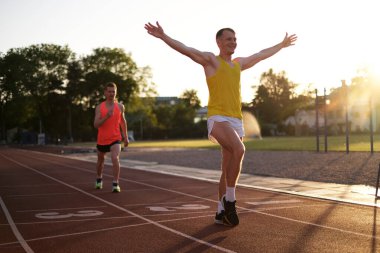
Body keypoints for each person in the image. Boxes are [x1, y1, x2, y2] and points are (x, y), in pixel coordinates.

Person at [144, 21, 297, 226]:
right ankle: (231, 201)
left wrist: (281, 45)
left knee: (227, 168)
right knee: (239, 149)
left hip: (236, 120)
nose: (233, 42)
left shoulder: (238, 64)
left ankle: (219, 211)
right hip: (218, 118)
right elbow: (187, 50)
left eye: (235, 39)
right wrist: (164, 36)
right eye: (228, 39)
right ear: (218, 42)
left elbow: (260, 54)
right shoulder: (211, 61)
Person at [94, 82, 129, 193]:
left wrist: (126, 136)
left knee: (115, 158)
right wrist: (107, 117)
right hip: (102, 139)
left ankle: (115, 183)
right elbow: (96, 124)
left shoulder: (120, 107)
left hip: (115, 138)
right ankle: (99, 178)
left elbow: (123, 122)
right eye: (109, 91)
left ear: (116, 93)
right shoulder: (100, 107)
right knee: (101, 161)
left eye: (113, 91)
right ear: (105, 93)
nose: (111, 93)